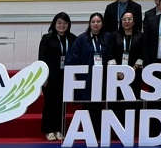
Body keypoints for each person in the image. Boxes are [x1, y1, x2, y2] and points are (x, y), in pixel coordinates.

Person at [65, 12, 114, 136]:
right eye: (93, 21)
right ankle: (88, 132)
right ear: (89, 23)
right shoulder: (81, 39)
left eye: (98, 21)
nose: (96, 24)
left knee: (101, 105)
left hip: (104, 79)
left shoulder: (108, 37)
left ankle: (100, 132)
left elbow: (112, 56)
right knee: (88, 105)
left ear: (102, 23)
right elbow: (72, 59)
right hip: (87, 79)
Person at [37, 12, 73, 140]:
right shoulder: (47, 38)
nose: (62, 26)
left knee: (61, 104)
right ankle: (49, 130)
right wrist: (43, 77)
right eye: (59, 23)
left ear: (68, 24)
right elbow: (42, 58)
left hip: (66, 76)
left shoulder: (72, 38)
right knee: (50, 103)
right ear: (54, 24)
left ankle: (59, 129)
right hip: (50, 77)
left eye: (64, 23)